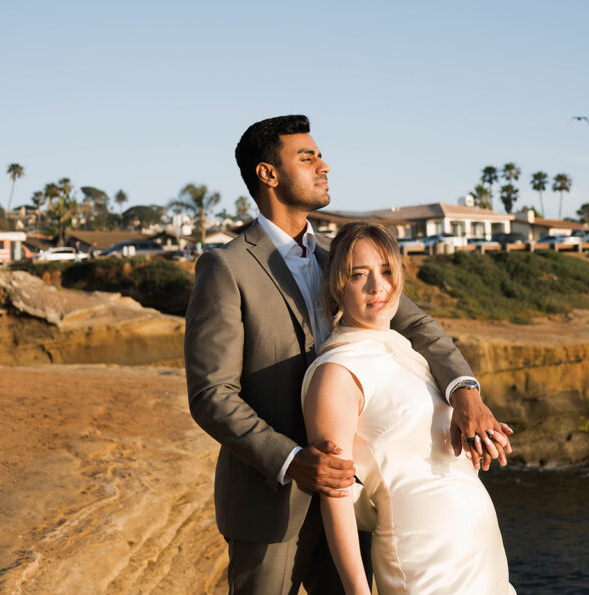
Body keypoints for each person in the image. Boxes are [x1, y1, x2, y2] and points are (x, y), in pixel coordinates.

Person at [184, 115, 511, 594]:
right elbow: (212, 395)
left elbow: (418, 325)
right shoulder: (226, 267)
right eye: (308, 156)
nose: (324, 165)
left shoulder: (340, 260)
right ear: (267, 175)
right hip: (272, 501)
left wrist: (465, 392)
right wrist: (293, 459)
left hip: (355, 501)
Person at [302, 223, 515, 594]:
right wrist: (358, 591)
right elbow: (334, 496)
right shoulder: (336, 373)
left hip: (480, 548)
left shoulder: (404, 350)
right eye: (359, 275)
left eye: (386, 271)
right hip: (423, 559)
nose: (377, 286)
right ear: (338, 286)